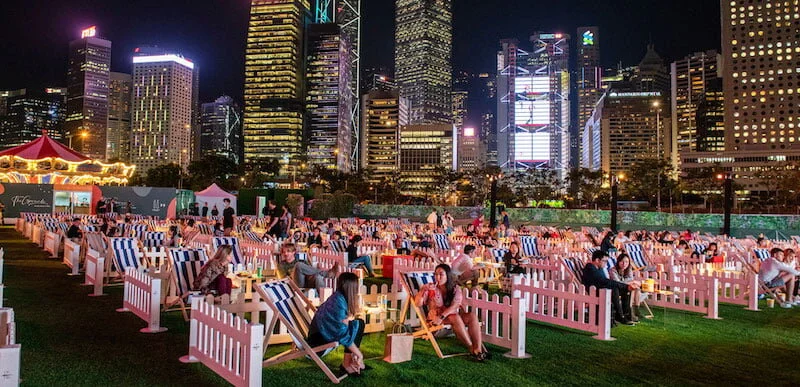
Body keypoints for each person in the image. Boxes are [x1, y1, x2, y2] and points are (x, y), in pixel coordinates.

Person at [415, 264, 487, 361]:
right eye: (436, 274)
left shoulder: (455, 288)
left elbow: (455, 305)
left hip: (448, 319)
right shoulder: (431, 288)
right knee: (454, 317)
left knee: (472, 316)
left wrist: (442, 316)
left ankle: (478, 349)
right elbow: (417, 304)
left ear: (447, 276)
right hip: (435, 323)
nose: (437, 277)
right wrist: (423, 290)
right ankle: (471, 348)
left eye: (441, 274)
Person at [307, 272, 367, 376]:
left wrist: (347, 321)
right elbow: (341, 334)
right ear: (352, 288)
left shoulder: (338, 297)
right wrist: (359, 354)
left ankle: (348, 362)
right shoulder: (337, 302)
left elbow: (338, 324)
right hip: (318, 341)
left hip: (321, 334)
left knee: (358, 323)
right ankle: (347, 364)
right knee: (357, 325)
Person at [582, 250, 640, 325]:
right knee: (615, 289)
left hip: (602, 289)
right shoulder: (591, 268)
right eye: (605, 261)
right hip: (595, 291)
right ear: (597, 260)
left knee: (624, 289)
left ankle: (625, 315)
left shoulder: (598, 269)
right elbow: (604, 281)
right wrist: (624, 286)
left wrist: (625, 286)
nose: (606, 264)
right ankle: (620, 316)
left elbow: (605, 281)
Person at [609, 253, 643, 321]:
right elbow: (618, 283)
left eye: (627, 262)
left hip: (626, 288)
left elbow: (630, 280)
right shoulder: (613, 270)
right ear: (618, 261)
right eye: (622, 261)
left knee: (636, 289)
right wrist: (632, 282)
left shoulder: (628, 269)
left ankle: (636, 309)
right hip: (617, 290)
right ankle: (630, 312)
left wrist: (632, 282)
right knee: (632, 288)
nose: (624, 264)